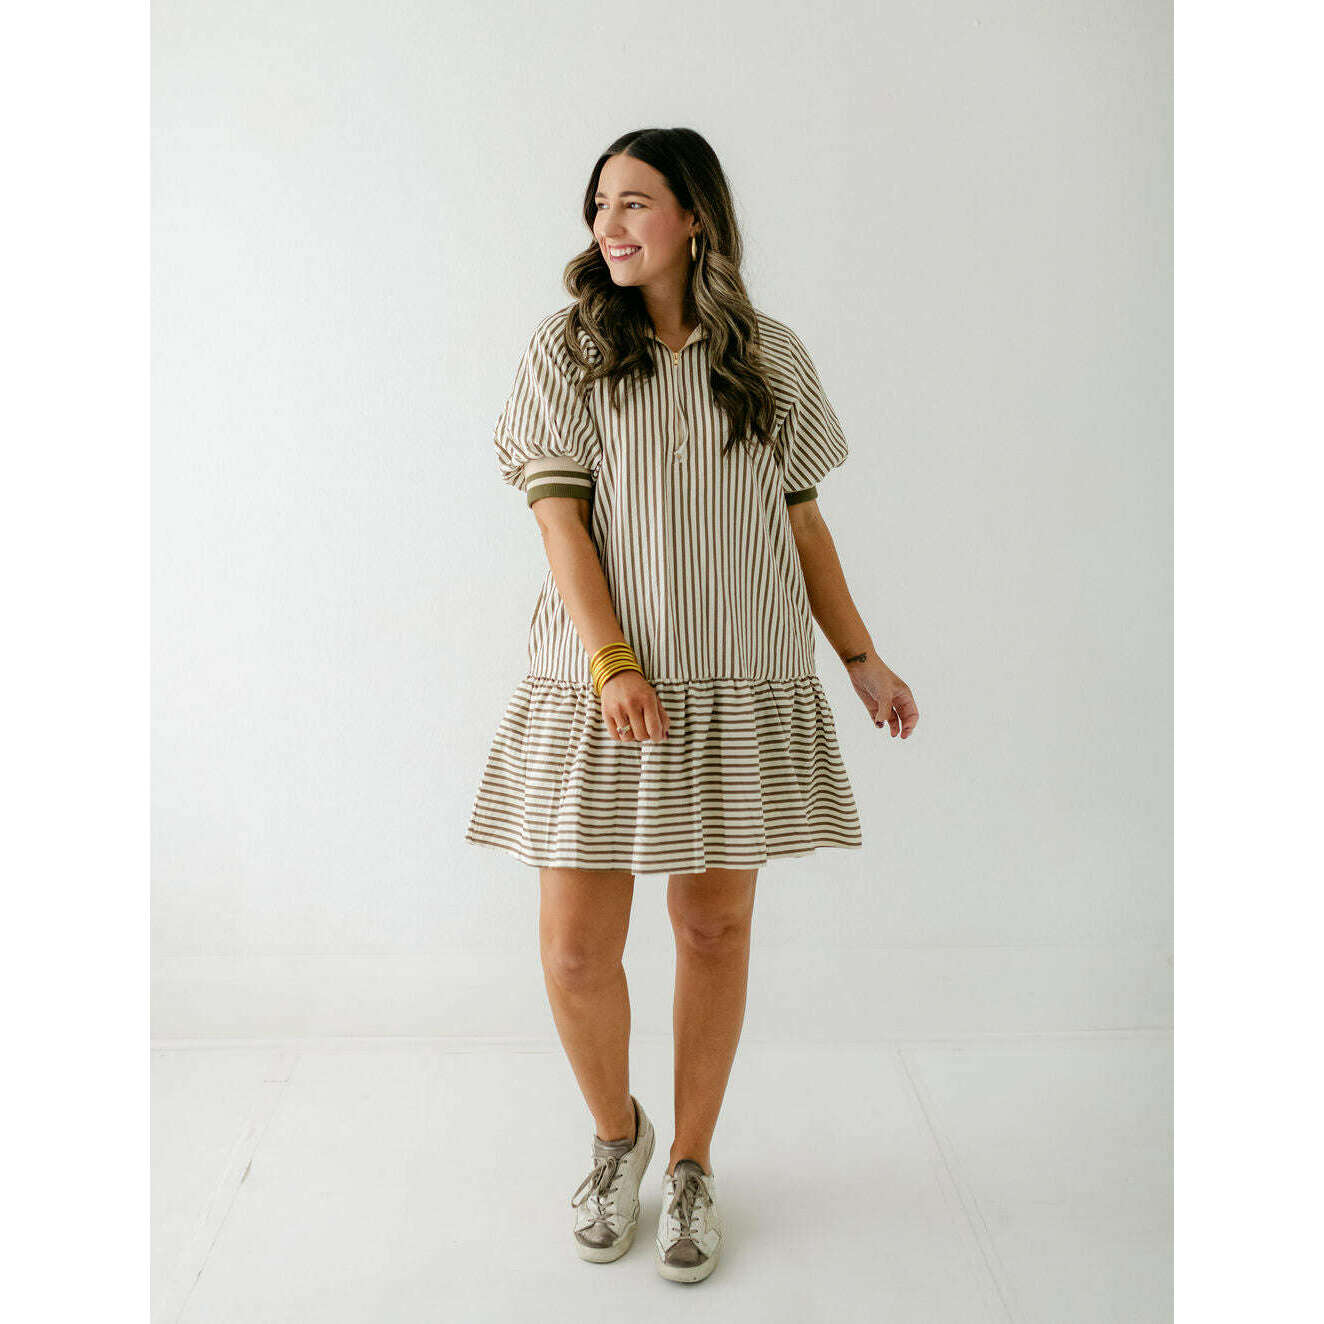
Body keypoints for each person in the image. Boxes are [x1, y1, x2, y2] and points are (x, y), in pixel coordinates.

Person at [465, 127, 919, 1283]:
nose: (609, 226)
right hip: (601, 685)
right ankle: (618, 1136)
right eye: (598, 206)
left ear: (695, 216)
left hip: (739, 676)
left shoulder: (768, 355)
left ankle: (694, 1161)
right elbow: (559, 521)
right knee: (576, 951)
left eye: (634, 202)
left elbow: (803, 524)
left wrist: (861, 658)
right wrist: (612, 658)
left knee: (713, 929)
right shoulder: (566, 348)